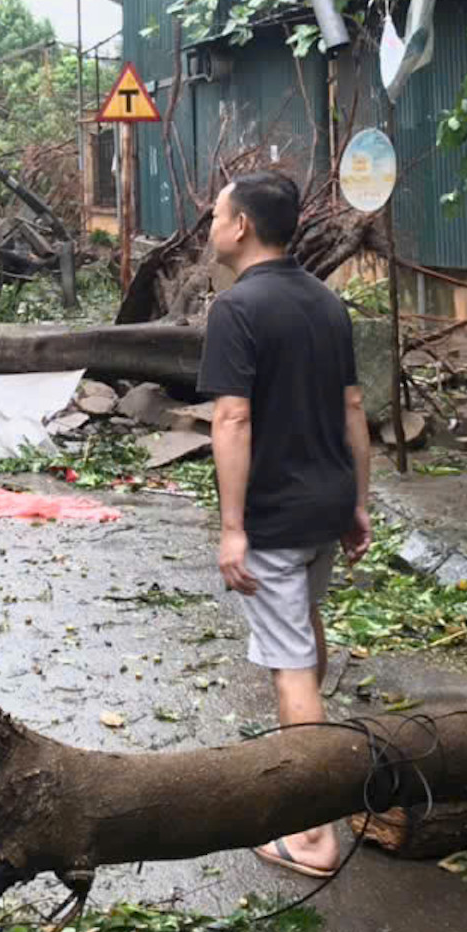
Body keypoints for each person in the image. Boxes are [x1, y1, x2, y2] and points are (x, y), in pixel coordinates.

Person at [196, 170, 371, 878]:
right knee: (305, 630)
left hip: (274, 515)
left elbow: (232, 417)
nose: (210, 226)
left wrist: (232, 527)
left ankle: (311, 834)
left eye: (216, 215)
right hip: (326, 504)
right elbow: (354, 410)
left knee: (290, 664)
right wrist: (357, 502)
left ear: (240, 227)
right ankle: (313, 748)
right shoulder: (328, 302)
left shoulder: (236, 310)